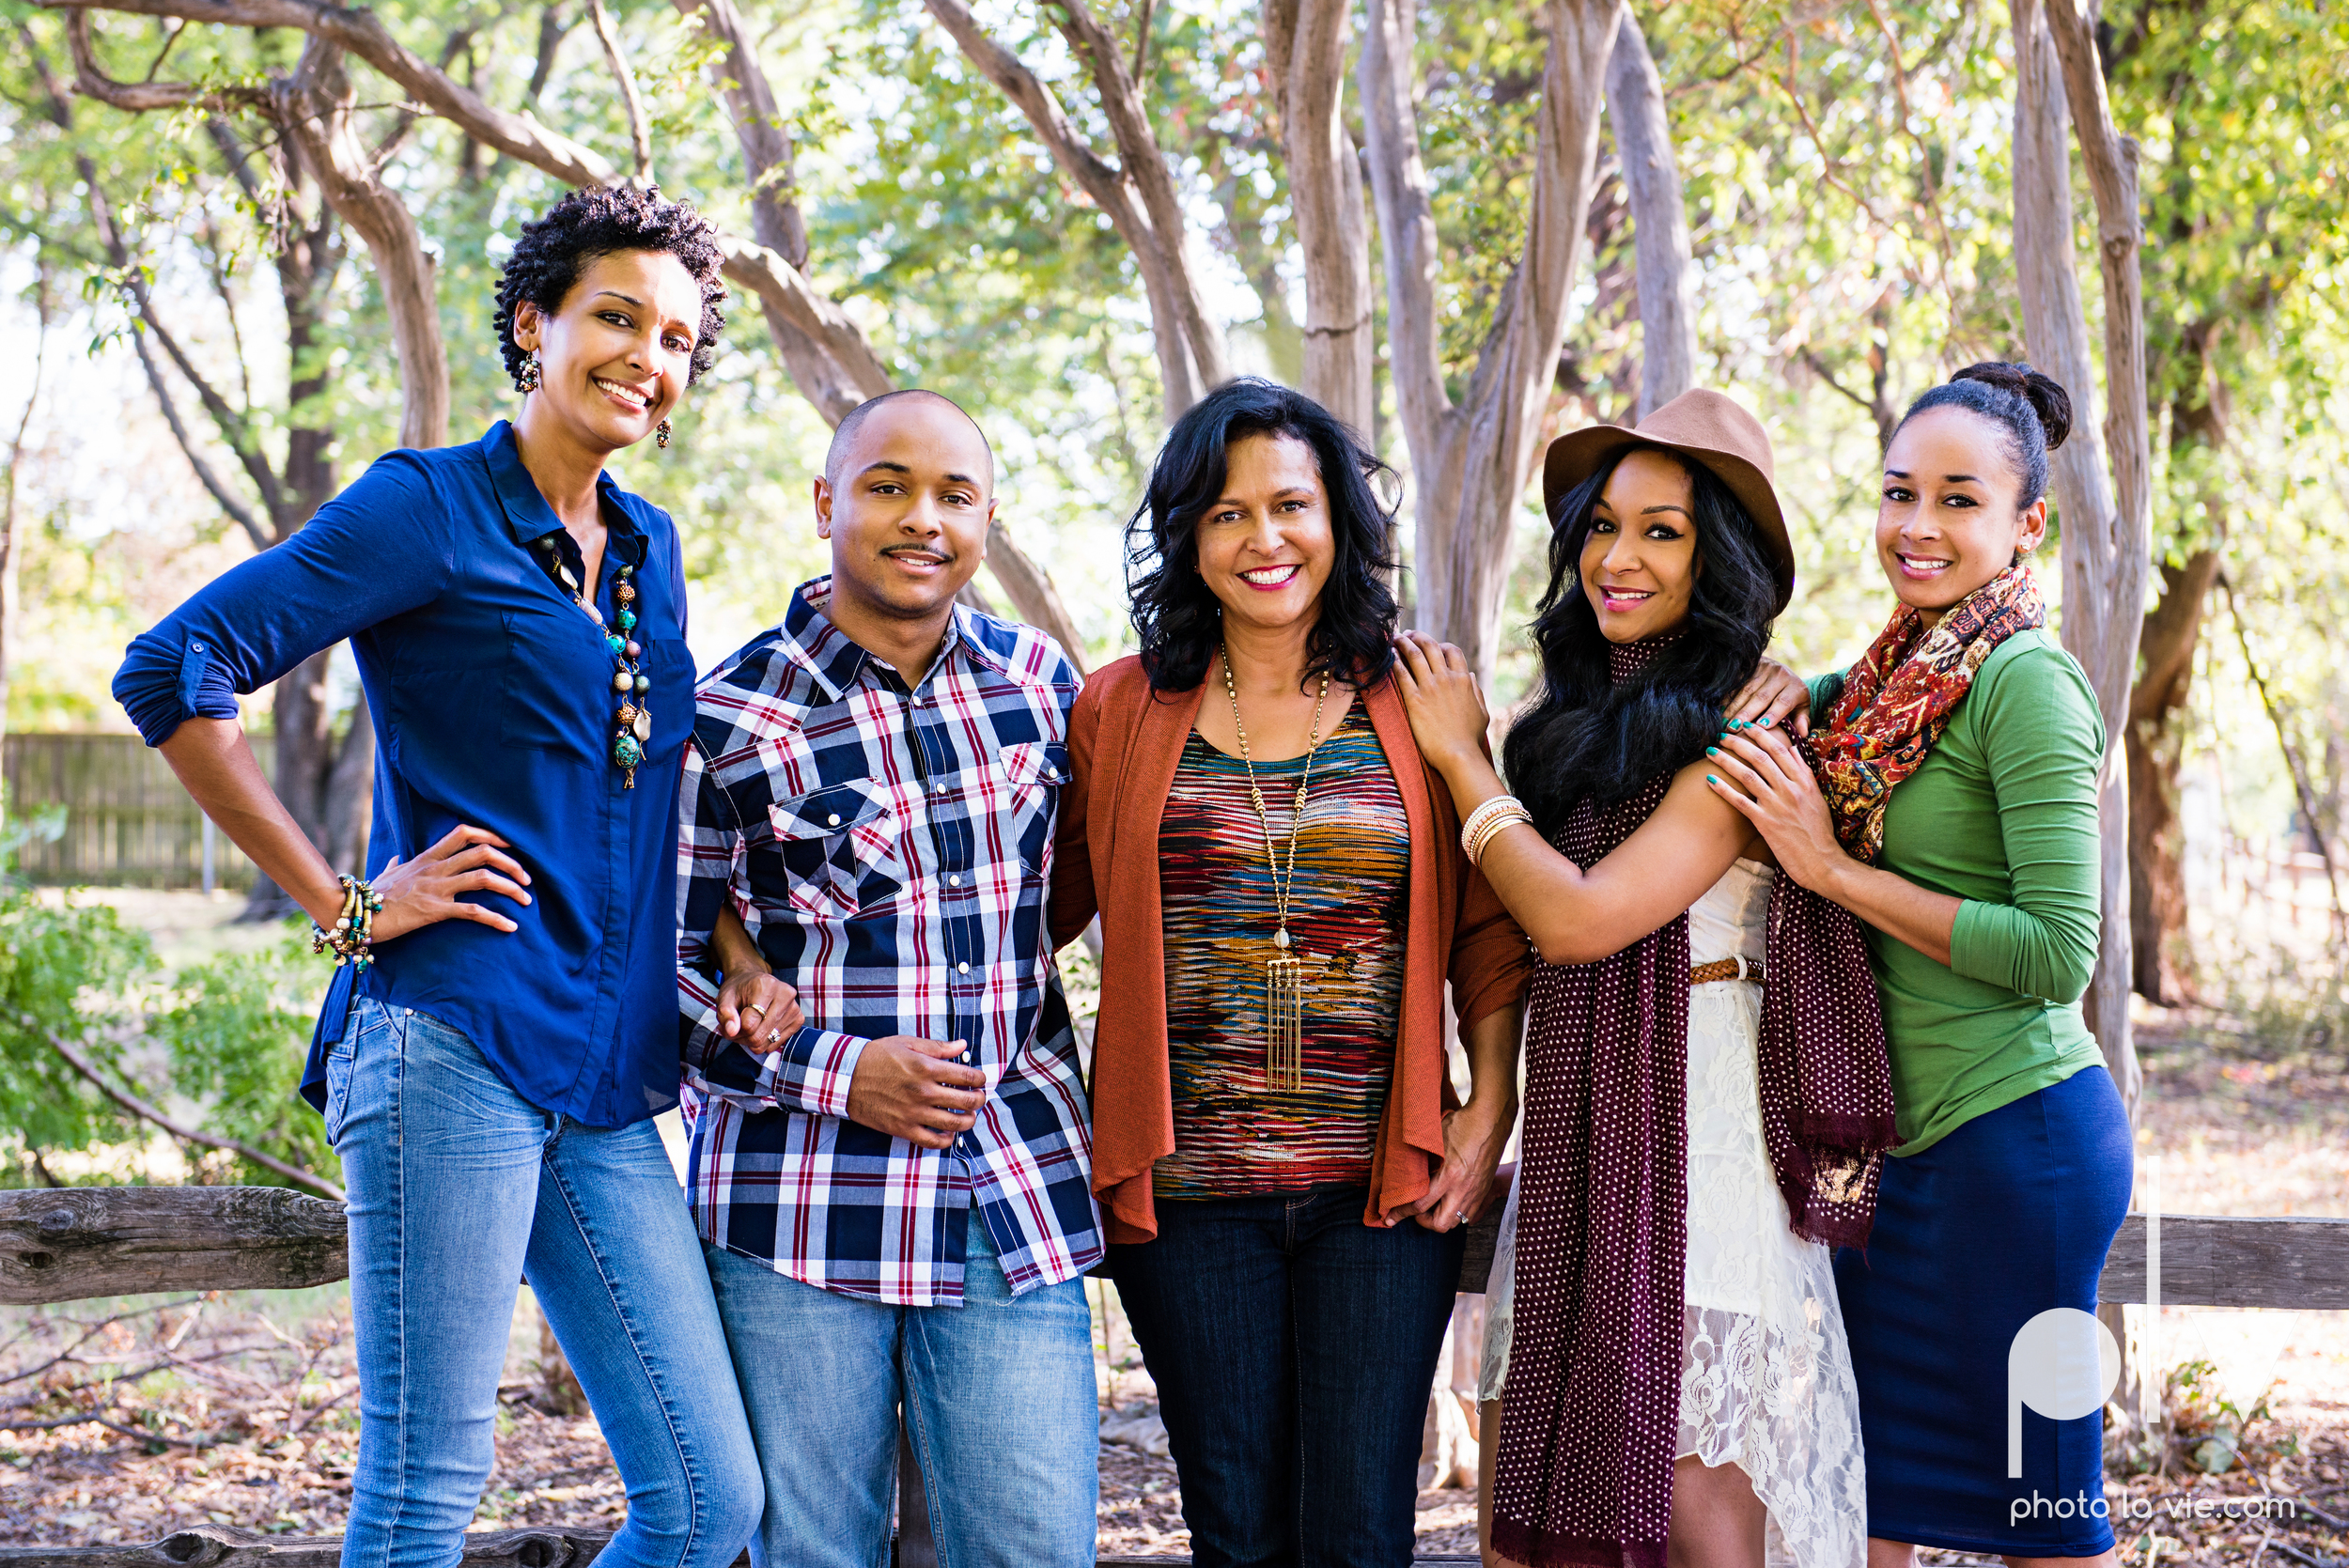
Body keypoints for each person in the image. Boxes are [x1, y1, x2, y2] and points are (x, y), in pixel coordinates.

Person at [109, 187, 761, 1568]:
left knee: (709, 1503)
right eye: (617, 317)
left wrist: (735, 945)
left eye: (680, 337)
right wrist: (349, 907)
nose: (650, 353)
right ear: (536, 324)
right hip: (450, 1041)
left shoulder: (649, 556)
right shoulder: (428, 508)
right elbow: (172, 672)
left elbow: (642, 788)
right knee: (425, 1491)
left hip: (603, 1070)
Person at [1391, 389, 1899, 1568]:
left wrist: (1462, 759)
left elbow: (1576, 921)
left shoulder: (1747, 732)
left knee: (1700, 1519)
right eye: (1603, 525)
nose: (1618, 558)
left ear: (1717, 557)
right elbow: (1510, 942)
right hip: (1577, 1135)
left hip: (1705, 1133)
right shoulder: (1565, 727)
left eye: (1662, 530)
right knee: (1534, 1497)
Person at [1042, 377, 1521, 1566]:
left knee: (1360, 1533)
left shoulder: (1421, 697)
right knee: (1237, 1530)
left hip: (1380, 1189)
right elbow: (1019, 910)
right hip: (1188, 1194)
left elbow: (1488, 932)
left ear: (1339, 518)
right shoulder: (1117, 708)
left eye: (1290, 505)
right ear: (1186, 537)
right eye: (1225, 513)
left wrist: (1486, 1107)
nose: (1263, 539)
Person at [1708, 364, 2130, 1568]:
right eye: (1900, 494)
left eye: (1958, 499)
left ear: (2023, 524)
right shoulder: (1895, 675)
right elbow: (1823, 730)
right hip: (1898, 1157)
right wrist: (1800, 684)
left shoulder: (2023, 680)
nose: (1918, 527)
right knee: (1873, 1500)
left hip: (2017, 1149)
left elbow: (2060, 953)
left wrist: (1832, 871)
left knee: (2046, 1517)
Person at [676, 388, 1101, 1568]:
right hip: (795, 1210)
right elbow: (653, 973)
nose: (923, 518)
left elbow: (1086, 889)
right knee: (818, 1554)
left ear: (987, 518)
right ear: (826, 503)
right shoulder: (723, 718)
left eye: (954, 495)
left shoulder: (1040, 687)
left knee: (1035, 1551)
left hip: (1007, 1194)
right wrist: (837, 1069)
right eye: (887, 486)